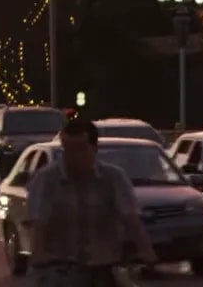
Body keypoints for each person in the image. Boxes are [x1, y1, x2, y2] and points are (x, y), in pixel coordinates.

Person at [26, 119, 156, 286]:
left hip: (104, 267)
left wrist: (145, 250)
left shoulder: (113, 178)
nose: (72, 156)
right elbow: (39, 221)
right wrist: (39, 253)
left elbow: (131, 217)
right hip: (61, 269)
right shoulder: (46, 179)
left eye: (79, 149)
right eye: (67, 149)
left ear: (94, 149)